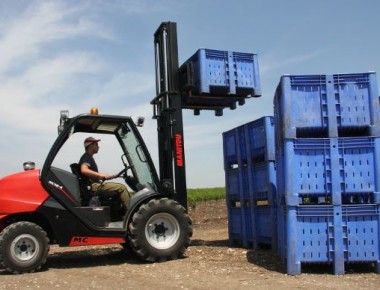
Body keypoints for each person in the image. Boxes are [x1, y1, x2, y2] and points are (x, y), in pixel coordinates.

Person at [79, 137, 130, 210]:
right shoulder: (86, 157)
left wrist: (113, 176)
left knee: (116, 192)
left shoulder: (89, 157)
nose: (98, 146)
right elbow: (84, 170)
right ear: (90, 145)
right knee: (122, 188)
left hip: (94, 184)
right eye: (96, 144)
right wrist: (100, 175)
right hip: (93, 186)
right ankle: (131, 214)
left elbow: (94, 176)